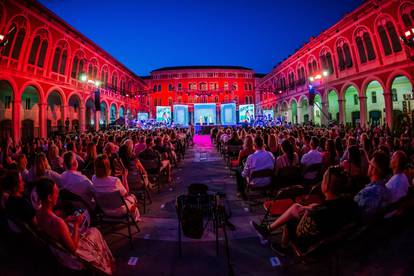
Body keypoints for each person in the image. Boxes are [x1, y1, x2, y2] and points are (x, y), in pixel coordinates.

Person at [251, 166, 359, 255]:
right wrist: (311, 208)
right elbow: (329, 210)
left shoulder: (317, 213)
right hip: (334, 241)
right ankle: (267, 230)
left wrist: (308, 212)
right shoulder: (350, 203)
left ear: (325, 186)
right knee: (297, 208)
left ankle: (283, 247)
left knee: (290, 220)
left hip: (314, 247)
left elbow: (306, 226)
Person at [35, 177, 115, 275]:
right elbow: (73, 249)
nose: (58, 195)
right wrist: (76, 224)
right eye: (56, 192)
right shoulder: (57, 222)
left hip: (57, 250)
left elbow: (51, 228)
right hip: (70, 257)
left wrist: (66, 220)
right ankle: (105, 267)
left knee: (92, 231)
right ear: (49, 197)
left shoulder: (38, 213)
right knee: (95, 231)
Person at [92, 154, 140, 221]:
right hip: (118, 210)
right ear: (108, 166)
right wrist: (125, 178)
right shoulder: (114, 180)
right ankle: (135, 217)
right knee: (132, 197)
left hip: (104, 209)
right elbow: (126, 193)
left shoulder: (94, 178)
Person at [354, 151, 391, 219]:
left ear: (374, 170)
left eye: (370, 164)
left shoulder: (366, 192)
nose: (368, 166)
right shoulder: (386, 190)